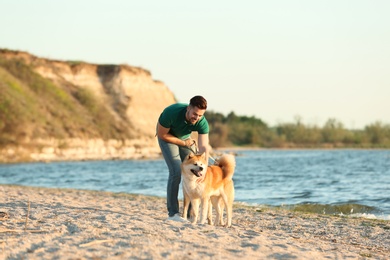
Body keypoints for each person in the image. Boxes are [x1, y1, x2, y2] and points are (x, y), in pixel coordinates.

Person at [156, 95, 210, 222]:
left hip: (185, 138)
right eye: (195, 114)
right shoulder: (171, 112)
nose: (196, 118)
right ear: (188, 108)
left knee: (195, 171)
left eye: (200, 116)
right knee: (176, 171)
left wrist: (204, 169)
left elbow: (203, 147)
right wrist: (183, 143)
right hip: (167, 137)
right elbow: (162, 134)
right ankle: (173, 214)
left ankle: (192, 213)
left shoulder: (202, 122)